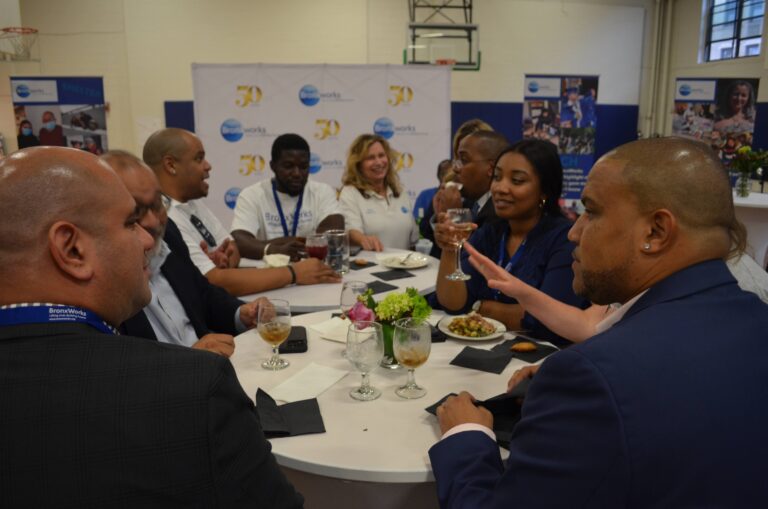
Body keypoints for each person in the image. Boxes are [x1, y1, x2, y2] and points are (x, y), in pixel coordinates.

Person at [429, 137, 768, 508]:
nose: (574, 232)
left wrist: (467, 433)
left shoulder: (589, 377)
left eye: (591, 212)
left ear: (655, 232)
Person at [0, 146, 304, 508]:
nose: (147, 238)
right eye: (130, 222)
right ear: (72, 249)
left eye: (156, 206)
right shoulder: (194, 389)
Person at [105, 150, 266, 358]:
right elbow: (117, 366)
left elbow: (202, 293)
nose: (153, 221)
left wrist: (241, 313)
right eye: (136, 212)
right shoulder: (99, 282)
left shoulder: (169, 233)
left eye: (157, 203)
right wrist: (187, 360)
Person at [143, 128, 340, 296]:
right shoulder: (164, 218)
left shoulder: (193, 205)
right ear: (171, 165)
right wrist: (295, 273)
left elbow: (233, 249)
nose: (208, 166)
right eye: (199, 158)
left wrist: (223, 261)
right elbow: (214, 280)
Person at [435, 139, 588, 346]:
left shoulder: (564, 240)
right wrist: (449, 249)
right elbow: (454, 304)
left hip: (541, 356)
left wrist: (480, 307)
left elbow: (549, 322)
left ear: (544, 191)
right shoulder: (491, 232)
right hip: (485, 352)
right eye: (497, 177)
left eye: (516, 180)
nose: (500, 188)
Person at [231, 133, 343, 261]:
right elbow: (239, 242)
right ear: (273, 166)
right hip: (268, 270)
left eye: (303, 167)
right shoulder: (251, 195)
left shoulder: (322, 191)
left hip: (312, 268)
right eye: (288, 166)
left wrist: (264, 244)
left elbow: (334, 236)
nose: (297, 173)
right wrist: (276, 250)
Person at [420, 129, 506, 258]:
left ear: (491, 169)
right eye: (456, 160)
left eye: (464, 160)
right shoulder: (469, 200)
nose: (455, 168)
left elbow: (468, 263)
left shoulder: (499, 212)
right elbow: (434, 247)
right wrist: (440, 216)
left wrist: (454, 216)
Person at [338, 133, 418, 250]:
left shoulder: (399, 191)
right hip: (369, 262)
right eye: (370, 158)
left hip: (404, 261)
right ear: (358, 164)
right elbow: (351, 231)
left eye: (381, 155)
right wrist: (362, 239)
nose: (379, 162)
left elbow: (414, 240)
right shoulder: (350, 193)